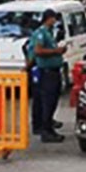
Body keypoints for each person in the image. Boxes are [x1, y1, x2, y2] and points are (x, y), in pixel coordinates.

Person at [31, 9, 67, 142]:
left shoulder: (49, 33)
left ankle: (48, 127)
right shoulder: (41, 33)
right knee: (48, 102)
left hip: (53, 71)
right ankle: (46, 130)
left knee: (51, 101)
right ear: (49, 18)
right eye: (54, 18)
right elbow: (38, 50)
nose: (55, 21)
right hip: (46, 72)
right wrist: (56, 51)